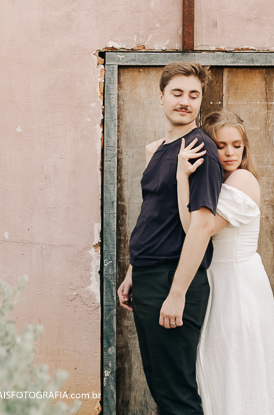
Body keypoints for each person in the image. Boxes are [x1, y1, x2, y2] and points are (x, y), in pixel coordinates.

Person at [117, 62, 222, 414]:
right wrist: (134, 270)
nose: (185, 101)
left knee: (177, 395)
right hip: (149, 277)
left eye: (194, 95)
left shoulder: (199, 150)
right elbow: (154, 213)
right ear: (161, 97)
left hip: (174, 280)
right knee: (162, 388)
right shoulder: (161, 149)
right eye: (177, 93)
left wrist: (177, 294)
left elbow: (202, 227)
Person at [176, 110, 274, 415]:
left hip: (238, 285)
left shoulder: (242, 179)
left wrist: (181, 178)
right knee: (219, 366)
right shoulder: (215, 184)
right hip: (218, 282)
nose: (230, 153)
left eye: (237, 145)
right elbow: (191, 227)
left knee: (236, 369)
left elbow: (197, 229)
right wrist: (185, 177)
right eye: (221, 146)